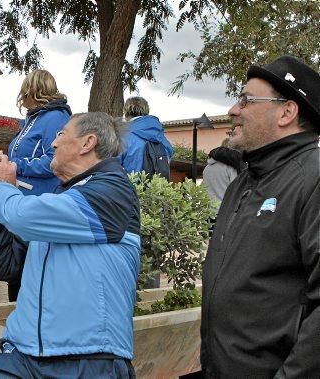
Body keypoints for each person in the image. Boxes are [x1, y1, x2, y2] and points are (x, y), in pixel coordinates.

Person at [0, 112, 141, 378]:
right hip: (24, 354)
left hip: (89, 358)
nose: (53, 143)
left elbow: (20, 214)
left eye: (61, 134)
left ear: (87, 143)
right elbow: (6, 265)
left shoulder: (112, 191)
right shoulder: (59, 201)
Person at [201, 55, 320, 377]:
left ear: (287, 112)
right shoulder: (243, 180)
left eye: (246, 100)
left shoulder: (313, 177)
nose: (233, 111)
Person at [0, 69, 70, 301]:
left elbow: (53, 161)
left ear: (34, 91)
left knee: (27, 274)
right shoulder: (32, 119)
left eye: (24, 93)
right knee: (16, 272)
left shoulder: (56, 118)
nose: (21, 99)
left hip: (38, 203)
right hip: (21, 203)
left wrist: (15, 166)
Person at [120, 96, 173, 175]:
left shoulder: (123, 137)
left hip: (129, 185)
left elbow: (111, 167)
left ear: (126, 112)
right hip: (157, 186)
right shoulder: (163, 139)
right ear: (146, 111)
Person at [202, 138, 244, 203]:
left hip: (209, 209)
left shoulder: (207, 168)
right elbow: (236, 190)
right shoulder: (230, 167)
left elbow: (204, 189)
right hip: (225, 209)